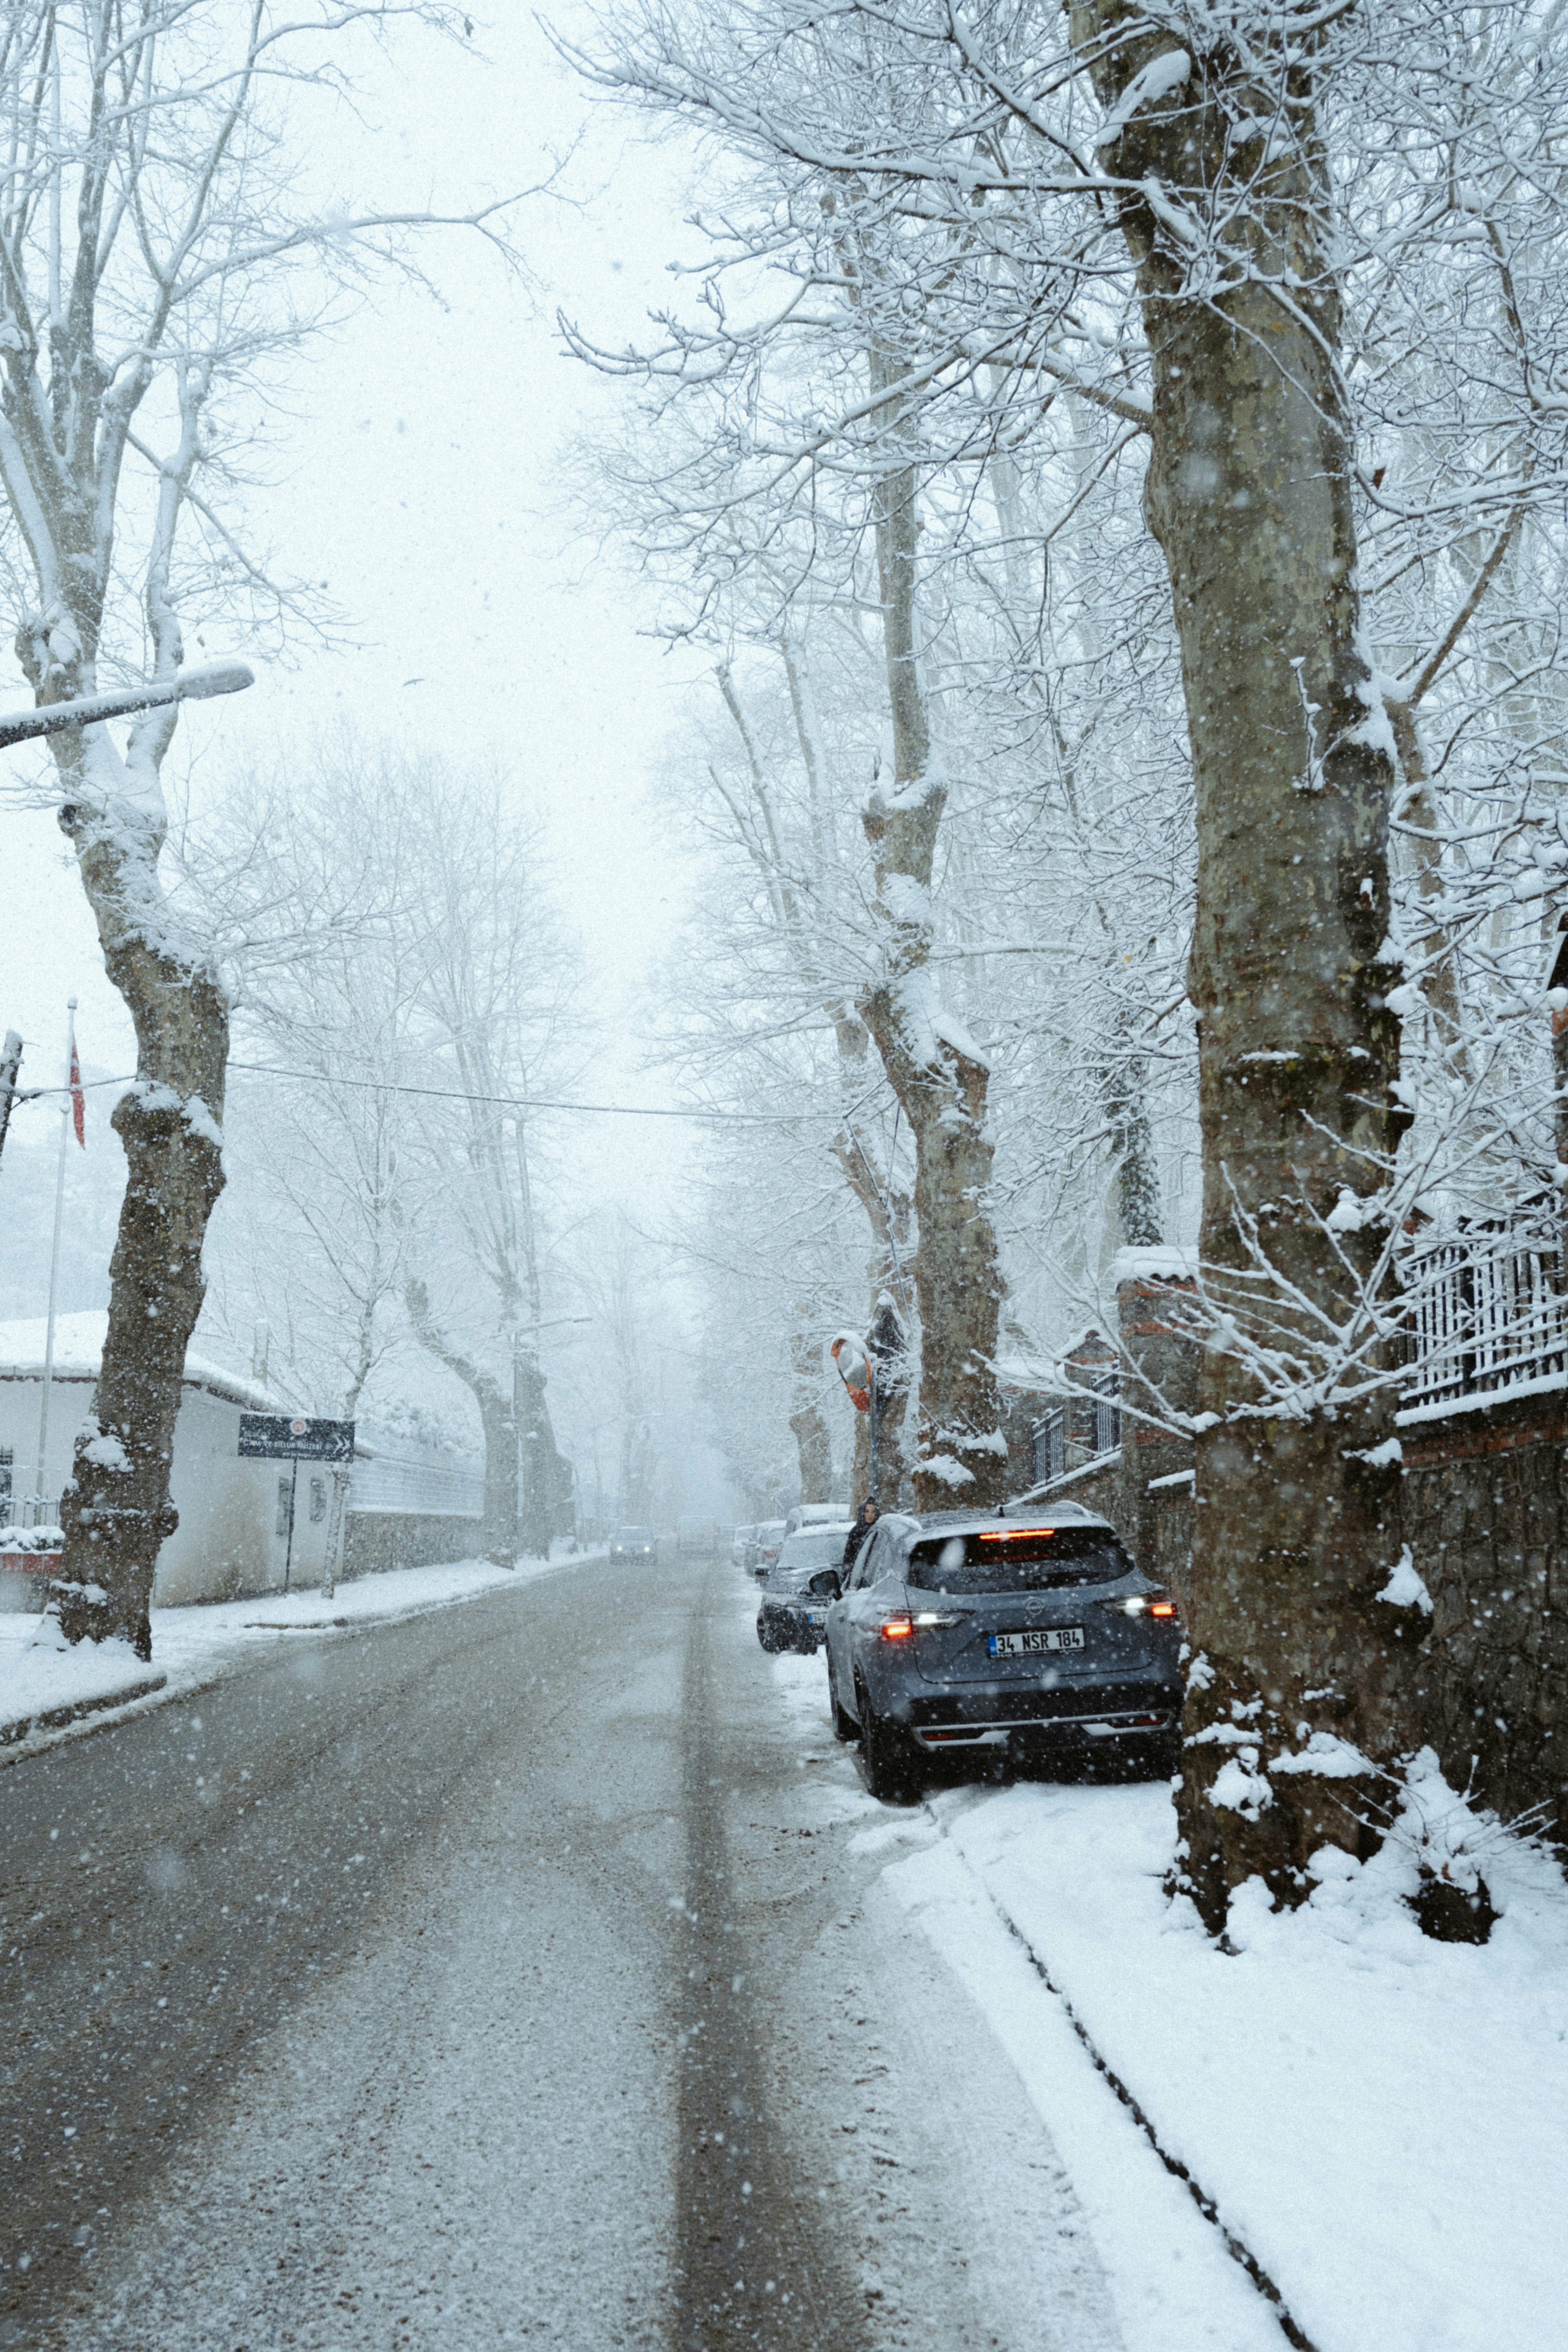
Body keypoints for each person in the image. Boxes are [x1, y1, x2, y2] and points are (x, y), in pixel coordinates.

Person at [841, 1496, 879, 1574]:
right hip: (858, 1574)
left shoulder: (880, 1531)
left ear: (877, 1513)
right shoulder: (856, 1532)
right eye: (867, 1511)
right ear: (863, 1513)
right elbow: (849, 1557)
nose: (870, 1515)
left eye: (873, 1512)